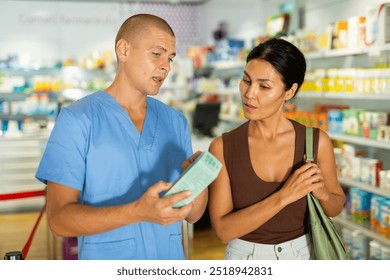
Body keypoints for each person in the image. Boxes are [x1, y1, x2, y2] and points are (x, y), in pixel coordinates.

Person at [35, 14, 207, 260]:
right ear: (123, 50)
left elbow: (193, 215)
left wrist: (198, 179)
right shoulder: (77, 119)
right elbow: (59, 220)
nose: (166, 66)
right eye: (157, 54)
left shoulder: (175, 122)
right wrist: (137, 212)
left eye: (170, 58)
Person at [208, 38, 345, 260]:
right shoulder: (223, 147)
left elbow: (335, 207)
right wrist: (285, 195)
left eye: (264, 86)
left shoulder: (316, 142)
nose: (249, 94)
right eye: (246, 80)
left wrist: (322, 194)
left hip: (304, 255)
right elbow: (223, 231)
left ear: (290, 91)